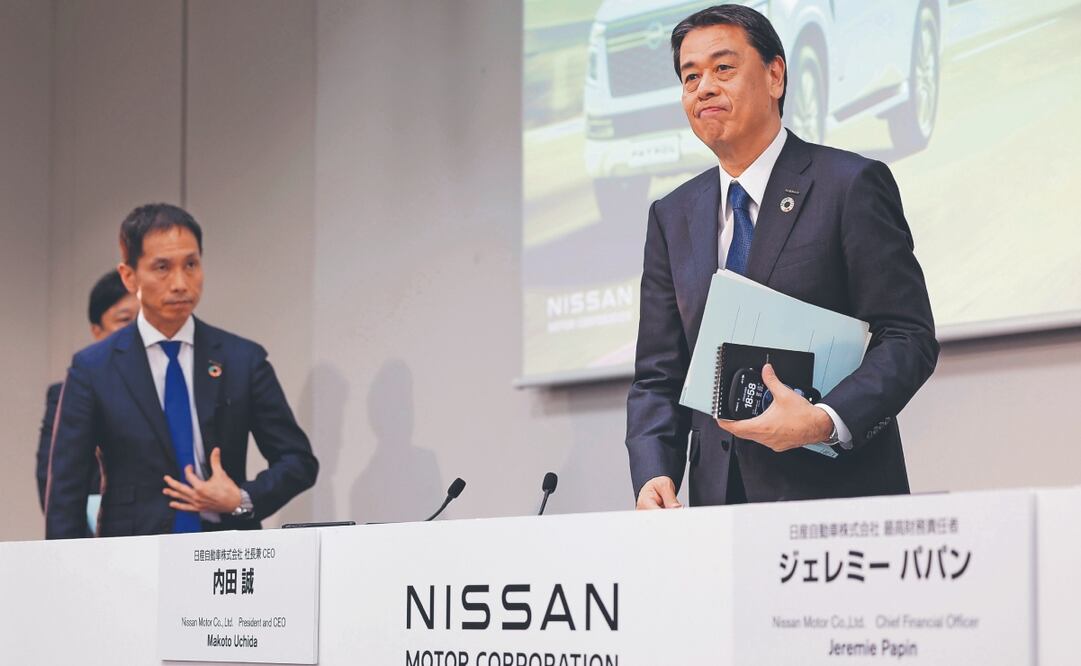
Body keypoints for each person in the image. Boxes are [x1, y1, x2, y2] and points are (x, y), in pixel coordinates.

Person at [626, 5, 939, 509]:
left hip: (838, 500)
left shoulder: (850, 185)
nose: (704, 87)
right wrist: (652, 472)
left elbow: (908, 338)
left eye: (723, 69)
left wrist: (825, 419)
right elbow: (660, 374)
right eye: (690, 77)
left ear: (775, 76)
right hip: (719, 508)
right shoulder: (673, 215)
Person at [46, 203, 318, 538]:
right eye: (162, 267)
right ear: (129, 276)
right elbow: (65, 493)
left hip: (226, 553)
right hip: (132, 555)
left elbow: (298, 460)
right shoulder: (93, 369)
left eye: (191, 264)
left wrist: (242, 498)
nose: (180, 283)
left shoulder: (241, 359)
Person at [36, 270, 139, 513]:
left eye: (143, 321)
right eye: (124, 320)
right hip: (95, 536)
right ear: (97, 331)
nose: (135, 332)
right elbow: (54, 482)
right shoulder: (66, 394)